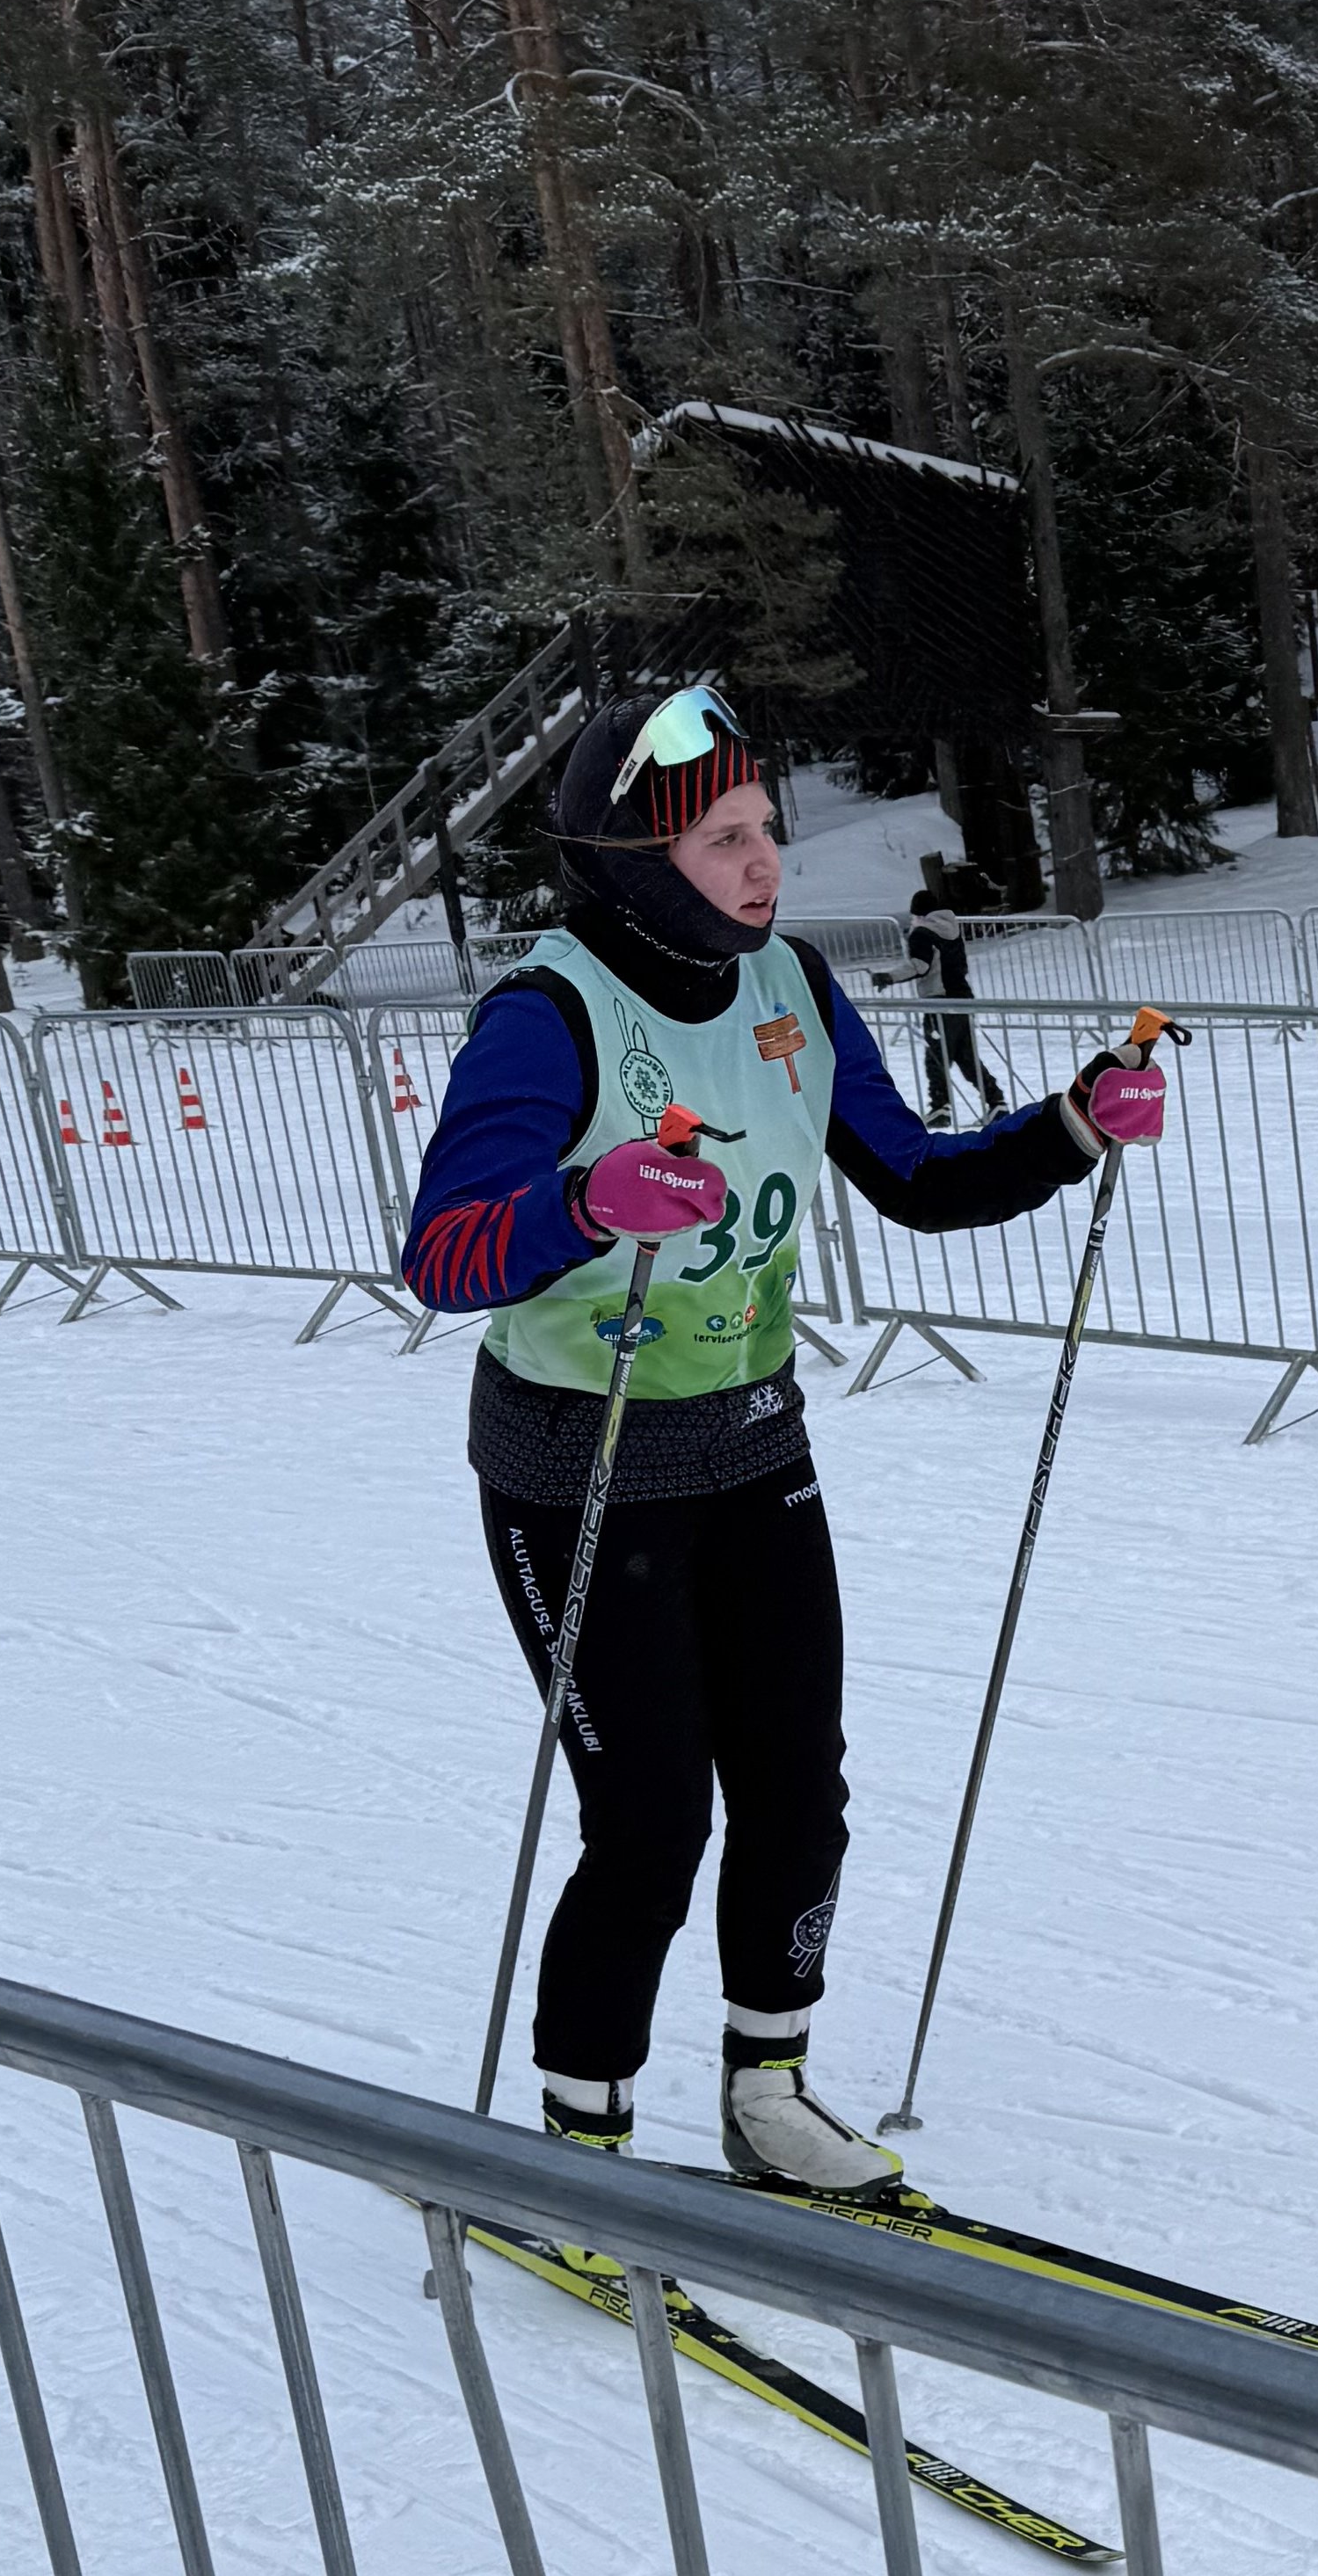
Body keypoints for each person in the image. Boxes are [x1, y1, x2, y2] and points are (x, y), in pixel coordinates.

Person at [398, 680, 1170, 2193]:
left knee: (797, 1793)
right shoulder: (550, 1015)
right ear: (633, 857)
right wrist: (585, 1202)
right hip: (582, 1468)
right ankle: (581, 2150)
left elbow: (915, 1175)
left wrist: (1073, 1124)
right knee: (649, 1824)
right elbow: (442, 1253)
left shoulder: (792, 985)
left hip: (754, 1450)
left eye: (768, 829)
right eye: (724, 839)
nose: (764, 864)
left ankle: (769, 2089)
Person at [906, 847, 1001, 1117]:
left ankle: (940, 1107)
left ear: (918, 913)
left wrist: (888, 977)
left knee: (936, 1056)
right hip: (963, 998)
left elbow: (920, 966)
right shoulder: (951, 929)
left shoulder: (921, 934)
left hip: (939, 1002)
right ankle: (996, 1101)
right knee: (965, 1056)